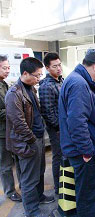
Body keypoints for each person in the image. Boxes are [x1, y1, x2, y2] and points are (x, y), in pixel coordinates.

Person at [58, 49, 95, 217]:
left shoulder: (77, 79)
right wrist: (87, 151)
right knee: (87, 196)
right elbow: (77, 122)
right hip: (82, 152)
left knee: (83, 193)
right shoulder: (80, 84)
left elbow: (87, 105)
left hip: (76, 149)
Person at [5, 57, 54, 217]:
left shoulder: (31, 88)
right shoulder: (14, 94)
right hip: (26, 142)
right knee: (28, 179)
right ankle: (32, 211)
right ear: (25, 73)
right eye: (36, 75)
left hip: (37, 138)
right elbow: (18, 123)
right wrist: (32, 140)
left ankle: (39, 196)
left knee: (39, 172)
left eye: (40, 75)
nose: (38, 79)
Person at [39, 52, 63, 195]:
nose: (59, 68)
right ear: (47, 68)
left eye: (59, 65)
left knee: (64, 157)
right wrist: (59, 128)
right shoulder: (46, 86)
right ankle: (58, 189)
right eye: (55, 66)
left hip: (63, 128)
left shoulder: (60, 81)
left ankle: (66, 186)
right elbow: (48, 112)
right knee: (58, 157)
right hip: (56, 130)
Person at [0, 55, 22, 202]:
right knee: (6, 164)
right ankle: (9, 191)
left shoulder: (4, 84)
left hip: (10, 130)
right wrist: (14, 110)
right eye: (4, 68)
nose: (8, 70)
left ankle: (23, 186)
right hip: (1, 133)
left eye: (9, 67)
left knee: (18, 160)